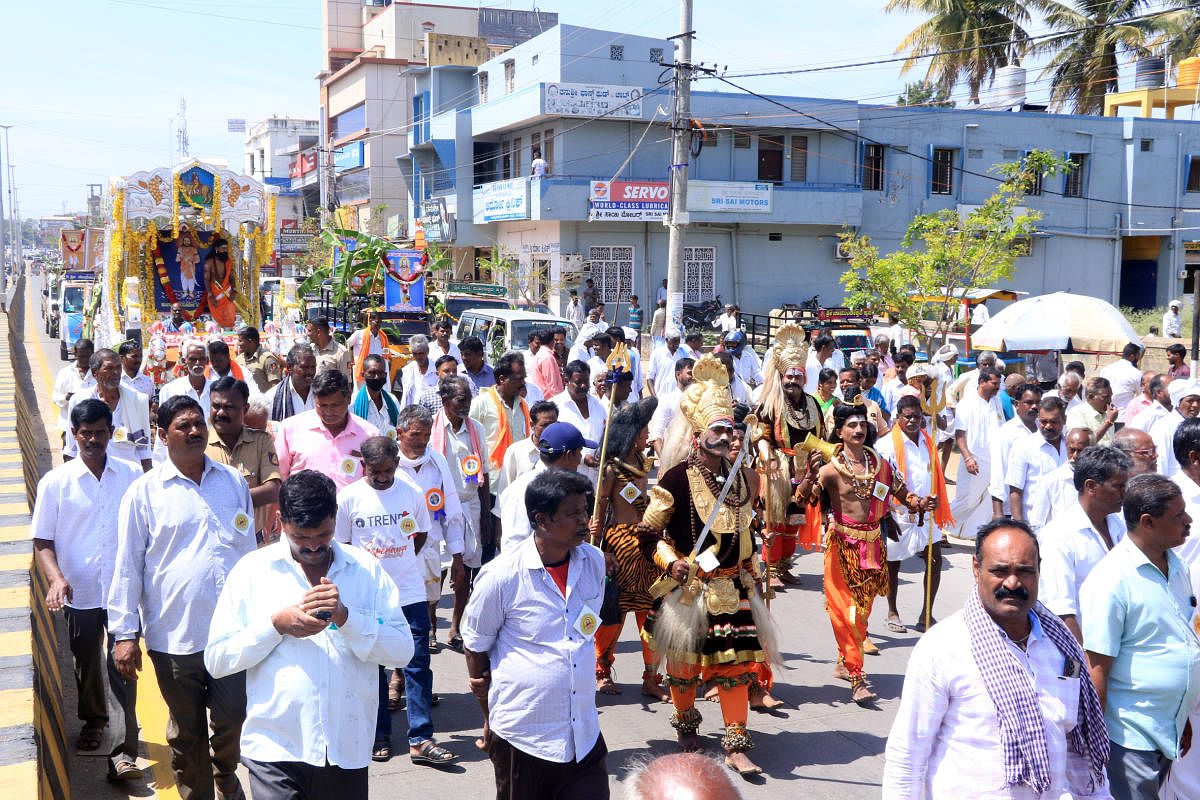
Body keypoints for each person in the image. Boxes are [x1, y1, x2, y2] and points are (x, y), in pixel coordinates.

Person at [206, 469, 415, 800]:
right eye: (302, 538)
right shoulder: (252, 571)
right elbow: (217, 659)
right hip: (275, 750)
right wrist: (275, 626)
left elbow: (402, 650)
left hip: (346, 749)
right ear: (282, 522)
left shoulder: (366, 570)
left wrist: (347, 618)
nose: (315, 546)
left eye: (323, 534)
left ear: (335, 516)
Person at [883, 518, 1112, 799]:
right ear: (977, 569)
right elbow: (907, 754)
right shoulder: (942, 646)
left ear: (1039, 570)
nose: (1013, 582)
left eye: (1025, 571)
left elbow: (1077, 743)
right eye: (1000, 571)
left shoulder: (1063, 644)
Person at [636, 355, 777, 775]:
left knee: (736, 669)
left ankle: (735, 745)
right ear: (698, 436)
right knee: (683, 667)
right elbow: (647, 533)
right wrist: (672, 562)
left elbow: (743, 529)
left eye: (729, 427)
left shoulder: (740, 478)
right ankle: (685, 727)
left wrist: (752, 566)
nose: (726, 433)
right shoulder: (676, 478)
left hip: (733, 589)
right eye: (717, 429)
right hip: (690, 588)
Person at [109, 395, 255, 800]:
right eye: (183, 426)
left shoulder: (232, 482)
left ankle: (225, 771)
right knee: (188, 731)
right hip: (174, 637)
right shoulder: (144, 494)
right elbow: (127, 567)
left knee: (233, 718)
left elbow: (249, 552)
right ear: (162, 434)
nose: (194, 432)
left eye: (198, 424)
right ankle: (197, 792)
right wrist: (124, 634)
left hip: (231, 634)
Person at [463, 468, 610, 800]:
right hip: (523, 738)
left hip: (584, 737)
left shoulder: (595, 562)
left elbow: (585, 628)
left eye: (585, 511)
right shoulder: (501, 576)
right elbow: (475, 647)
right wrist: (489, 715)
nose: (585, 520)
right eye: (573, 514)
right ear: (542, 520)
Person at [32, 399, 143, 781]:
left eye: (99, 432)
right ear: (73, 436)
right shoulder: (56, 483)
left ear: (111, 433)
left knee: (121, 664)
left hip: (124, 591)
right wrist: (56, 579)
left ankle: (120, 749)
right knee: (86, 663)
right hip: (79, 593)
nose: (93, 439)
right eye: (85, 434)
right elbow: (42, 540)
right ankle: (94, 719)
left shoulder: (131, 475)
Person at [332, 435, 456, 767]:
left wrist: (399, 566)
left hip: (410, 594)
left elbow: (422, 534)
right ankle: (379, 736)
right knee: (374, 669)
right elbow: (341, 546)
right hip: (368, 600)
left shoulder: (412, 494)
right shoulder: (348, 498)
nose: (383, 477)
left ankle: (421, 739)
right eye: (376, 471)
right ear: (364, 467)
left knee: (417, 665)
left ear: (396, 465)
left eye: (388, 470)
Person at [1081, 474, 1200, 799]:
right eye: (1178, 516)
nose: (1188, 521)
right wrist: (1095, 744)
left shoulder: (1177, 567)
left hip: (1167, 728)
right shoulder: (1111, 580)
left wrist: (1181, 712)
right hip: (1129, 737)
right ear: (1148, 522)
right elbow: (1097, 669)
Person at [815, 403, 923, 704]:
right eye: (852, 425)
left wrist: (918, 502)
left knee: (861, 612)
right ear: (840, 432)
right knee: (844, 612)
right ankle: (856, 675)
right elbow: (804, 500)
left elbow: (902, 494)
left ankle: (844, 657)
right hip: (841, 546)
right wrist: (807, 478)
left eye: (863, 424)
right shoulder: (829, 470)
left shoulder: (881, 465)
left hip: (873, 545)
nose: (859, 429)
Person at [589, 398, 668, 700]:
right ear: (633, 435)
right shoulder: (611, 470)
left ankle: (651, 676)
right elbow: (600, 506)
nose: (648, 435)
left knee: (651, 613)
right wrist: (594, 541)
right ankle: (601, 671)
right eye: (644, 431)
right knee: (614, 613)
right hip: (619, 545)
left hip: (644, 543)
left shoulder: (638, 462)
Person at [752, 323, 826, 584]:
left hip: (804, 471)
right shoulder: (770, 402)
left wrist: (819, 463)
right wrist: (767, 456)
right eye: (789, 377)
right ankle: (770, 568)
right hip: (776, 468)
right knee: (775, 522)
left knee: (795, 520)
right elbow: (758, 434)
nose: (793, 381)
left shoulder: (813, 403)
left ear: (804, 378)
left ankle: (784, 566)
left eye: (798, 377)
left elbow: (821, 437)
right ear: (782, 375)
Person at [1038, 445, 1130, 644]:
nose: (1125, 493)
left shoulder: (1119, 526)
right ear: (1091, 487)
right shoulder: (1058, 536)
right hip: (1086, 648)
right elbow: (1062, 611)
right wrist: (1086, 666)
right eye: (1118, 487)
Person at [878, 395, 949, 633]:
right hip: (898, 513)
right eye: (907, 416)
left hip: (926, 514)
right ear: (898, 417)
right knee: (893, 565)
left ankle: (926, 614)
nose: (912, 421)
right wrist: (886, 511)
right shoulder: (885, 445)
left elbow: (932, 477)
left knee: (935, 561)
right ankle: (892, 611)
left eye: (916, 417)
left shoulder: (928, 441)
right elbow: (882, 483)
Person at [430, 376, 491, 649]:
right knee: (438, 568)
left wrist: (488, 517)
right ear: (445, 401)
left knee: (466, 568)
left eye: (468, 398)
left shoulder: (475, 429)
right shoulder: (430, 428)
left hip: (469, 507)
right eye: (460, 400)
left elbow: (484, 475)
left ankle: (455, 625)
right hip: (437, 508)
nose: (466, 405)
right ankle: (430, 625)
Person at [206, 377, 282, 546]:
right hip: (213, 543)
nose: (220, 413)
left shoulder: (261, 441)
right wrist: (248, 496)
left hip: (254, 543)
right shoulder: (200, 442)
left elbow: (272, 490)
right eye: (216, 406)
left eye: (229, 407)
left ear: (245, 409)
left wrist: (222, 499)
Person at [274, 369, 380, 489]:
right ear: (314, 399)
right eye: (322, 405)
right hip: (303, 507)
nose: (328, 412)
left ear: (349, 398)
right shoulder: (290, 429)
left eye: (335, 405)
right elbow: (278, 476)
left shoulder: (370, 435)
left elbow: (374, 482)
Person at [495, 422, 591, 551]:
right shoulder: (522, 489)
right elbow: (514, 545)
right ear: (569, 455)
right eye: (579, 453)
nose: (580, 459)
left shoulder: (566, 486)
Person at [63, 348, 153, 471]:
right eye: (109, 368)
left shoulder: (137, 400)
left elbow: (144, 448)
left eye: (118, 367)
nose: (116, 373)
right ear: (95, 373)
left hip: (127, 476)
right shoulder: (79, 400)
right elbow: (71, 448)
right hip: (89, 473)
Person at [470, 353, 531, 512]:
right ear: (502, 379)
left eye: (524, 378)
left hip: (518, 480)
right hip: (492, 483)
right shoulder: (481, 404)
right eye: (519, 378)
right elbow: (470, 441)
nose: (523, 383)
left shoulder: (523, 404)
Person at [952, 366, 1005, 537]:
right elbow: (959, 433)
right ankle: (939, 524)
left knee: (988, 499)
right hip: (974, 460)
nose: (998, 388)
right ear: (982, 382)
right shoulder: (967, 403)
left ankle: (976, 533)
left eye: (999, 384)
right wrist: (968, 458)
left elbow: (1001, 427)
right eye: (994, 384)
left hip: (994, 459)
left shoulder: (996, 401)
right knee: (966, 500)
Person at [1006, 396, 1068, 523]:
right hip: (1034, 522)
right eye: (1043, 421)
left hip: (1065, 522)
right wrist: (1019, 526)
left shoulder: (1071, 446)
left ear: (1064, 420)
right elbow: (1015, 490)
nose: (1048, 426)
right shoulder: (1023, 446)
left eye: (1054, 422)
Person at [1028, 428, 1095, 531]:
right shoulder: (1051, 481)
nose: (1075, 456)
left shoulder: (1099, 481)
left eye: (1081, 451)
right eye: (1072, 450)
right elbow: (1036, 523)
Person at [553, 360, 606, 483]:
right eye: (578, 382)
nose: (583, 386)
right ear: (567, 381)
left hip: (596, 480)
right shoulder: (556, 407)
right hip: (568, 480)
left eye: (586, 382)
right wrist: (582, 458)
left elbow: (605, 434)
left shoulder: (598, 405)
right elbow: (553, 444)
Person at [498, 399, 557, 492]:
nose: (550, 429)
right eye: (545, 425)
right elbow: (504, 490)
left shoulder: (563, 451)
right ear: (532, 425)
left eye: (553, 424)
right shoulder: (515, 452)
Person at [1151, 379, 1200, 476]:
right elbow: (1161, 462)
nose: (1196, 405)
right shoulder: (1164, 427)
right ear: (1178, 402)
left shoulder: (1196, 425)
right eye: (1190, 401)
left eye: (1199, 401)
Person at [53, 338, 96, 446]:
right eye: (81, 356)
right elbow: (55, 397)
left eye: (88, 356)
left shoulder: (98, 373)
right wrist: (67, 397)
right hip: (69, 427)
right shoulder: (65, 373)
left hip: (94, 428)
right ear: (75, 354)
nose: (85, 360)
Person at [648, 359, 695, 457]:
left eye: (696, 373)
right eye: (690, 373)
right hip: (674, 457)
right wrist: (666, 464)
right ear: (678, 375)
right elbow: (657, 436)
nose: (694, 377)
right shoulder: (667, 400)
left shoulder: (700, 400)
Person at [161, 339, 214, 417]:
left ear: (207, 361)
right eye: (193, 359)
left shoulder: (217, 390)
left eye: (201, 359)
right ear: (184, 361)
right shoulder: (170, 390)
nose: (198, 363)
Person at [266, 344, 318, 422]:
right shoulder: (271, 398)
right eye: (305, 367)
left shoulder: (322, 393)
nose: (310, 372)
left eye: (313, 367)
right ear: (290, 367)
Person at [352, 354, 400, 434]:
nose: (377, 377)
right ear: (363, 375)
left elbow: (399, 428)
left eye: (380, 373)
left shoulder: (392, 400)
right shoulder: (353, 402)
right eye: (372, 373)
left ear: (385, 375)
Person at [1066, 376, 1119, 446]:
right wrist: (1108, 423)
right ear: (1091, 397)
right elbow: (1083, 443)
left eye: (1110, 396)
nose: (1110, 400)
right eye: (1105, 397)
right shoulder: (1077, 413)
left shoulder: (1108, 414)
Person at [1100, 343, 1145, 419]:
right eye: (1138, 356)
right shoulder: (1137, 374)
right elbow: (1142, 395)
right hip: (1124, 416)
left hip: (1106, 415)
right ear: (1133, 356)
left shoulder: (1105, 369)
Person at [347, 310, 391, 387]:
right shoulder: (359, 334)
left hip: (377, 375)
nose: (379, 325)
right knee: (361, 395)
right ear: (370, 321)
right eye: (377, 322)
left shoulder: (383, 337)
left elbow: (386, 355)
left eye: (380, 322)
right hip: (363, 372)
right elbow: (346, 346)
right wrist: (349, 361)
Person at [236, 325, 282, 394]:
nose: (238, 344)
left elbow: (275, 387)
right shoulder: (239, 359)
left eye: (240, 341)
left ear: (250, 342)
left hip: (263, 403)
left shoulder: (267, 359)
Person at [307, 315, 352, 381]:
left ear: (318, 332)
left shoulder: (341, 352)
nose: (307, 333)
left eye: (309, 330)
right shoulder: (310, 349)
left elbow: (346, 383)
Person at [527, 327, 565, 398]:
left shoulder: (539, 354)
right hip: (549, 401)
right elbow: (552, 386)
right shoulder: (547, 357)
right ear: (552, 341)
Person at [645, 332, 684, 396]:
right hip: (660, 396)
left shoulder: (681, 354)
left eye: (678, 341)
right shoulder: (657, 353)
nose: (677, 344)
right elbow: (650, 377)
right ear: (666, 340)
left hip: (677, 397)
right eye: (674, 341)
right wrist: (654, 397)